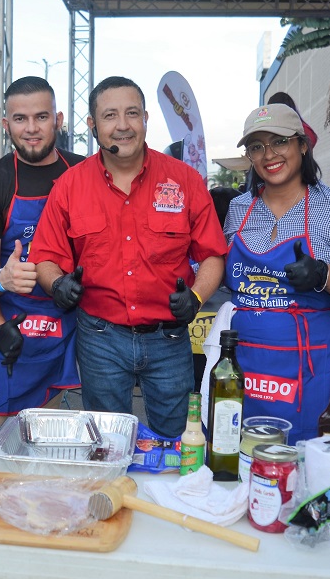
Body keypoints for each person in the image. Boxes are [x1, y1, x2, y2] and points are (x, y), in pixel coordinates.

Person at [30, 76, 227, 438]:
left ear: (146, 118)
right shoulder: (70, 186)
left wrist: (196, 297)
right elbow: (45, 257)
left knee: (180, 442)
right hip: (100, 339)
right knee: (107, 443)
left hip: (169, 338)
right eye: (110, 116)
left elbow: (213, 254)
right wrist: (56, 283)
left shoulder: (185, 181)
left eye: (132, 113)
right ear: (93, 126)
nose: (122, 125)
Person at [211, 103, 330, 445]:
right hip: (246, 363)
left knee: (306, 465)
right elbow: (220, 270)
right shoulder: (239, 209)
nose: (268, 154)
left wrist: (322, 274)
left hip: (310, 366)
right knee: (239, 456)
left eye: (279, 142)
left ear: (302, 145)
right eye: (256, 146)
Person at [0, 76, 85, 417]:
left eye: (41, 117)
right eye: (20, 119)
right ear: (5, 124)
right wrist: (4, 278)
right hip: (2, 335)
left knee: (46, 449)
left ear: (58, 120)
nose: (31, 128)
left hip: (63, 336)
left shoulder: (85, 173)